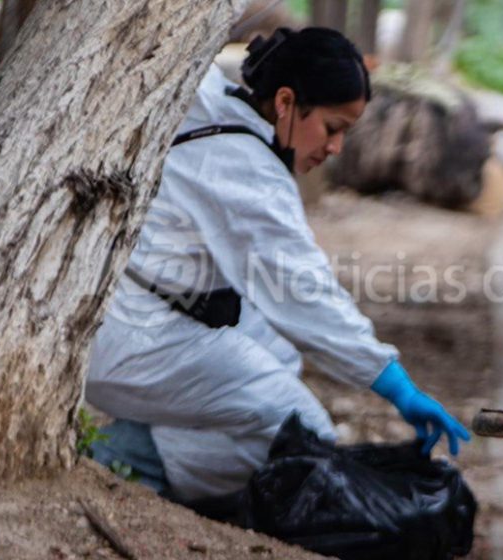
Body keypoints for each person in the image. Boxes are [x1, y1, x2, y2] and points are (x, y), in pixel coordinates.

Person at [85, 28, 470, 504]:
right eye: (333, 128)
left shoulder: (217, 103)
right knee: (302, 432)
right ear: (286, 102)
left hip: (131, 313)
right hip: (136, 345)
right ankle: (131, 457)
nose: (336, 149)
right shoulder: (250, 175)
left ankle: (158, 442)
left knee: (279, 355)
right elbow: (305, 295)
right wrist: (397, 387)